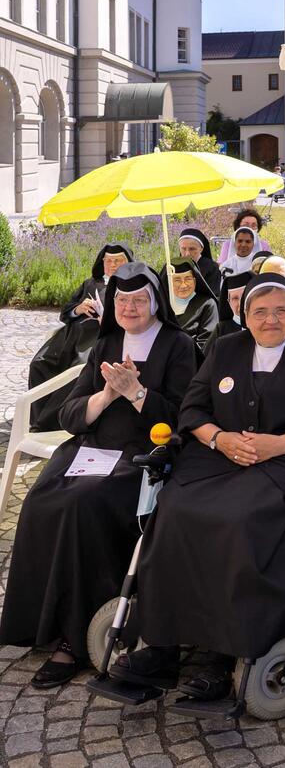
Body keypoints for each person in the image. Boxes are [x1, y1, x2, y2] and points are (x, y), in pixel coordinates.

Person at [111, 274, 285, 699]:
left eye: (281, 310)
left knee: (238, 522)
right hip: (218, 458)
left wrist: (277, 444)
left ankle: (221, 656)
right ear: (244, 315)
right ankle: (163, 647)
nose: (271, 319)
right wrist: (220, 439)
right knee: (175, 511)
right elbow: (194, 408)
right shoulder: (226, 348)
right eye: (260, 311)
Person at [0, 264, 195, 688]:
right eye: (122, 301)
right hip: (91, 447)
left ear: (156, 303)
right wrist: (106, 395)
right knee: (39, 501)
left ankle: (73, 638)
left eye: (139, 300)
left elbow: (186, 417)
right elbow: (71, 414)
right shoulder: (106, 341)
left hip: (143, 454)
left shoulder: (178, 346)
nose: (130, 308)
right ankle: (36, 620)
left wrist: (137, 393)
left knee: (79, 506)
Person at [28, 243, 134, 431]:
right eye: (108, 261)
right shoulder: (90, 283)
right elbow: (65, 312)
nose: (112, 265)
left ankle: (49, 423)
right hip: (71, 335)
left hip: (97, 337)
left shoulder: (131, 286)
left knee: (77, 370)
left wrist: (107, 320)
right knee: (40, 363)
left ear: (128, 262)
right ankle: (35, 419)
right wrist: (79, 309)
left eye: (118, 260)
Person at [165, 258, 219, 353]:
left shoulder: (207, 304)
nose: (183, 285)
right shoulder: (162, 305)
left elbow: (207, 342)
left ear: (195, 280)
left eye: (188, 279)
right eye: (177, 280)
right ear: (169, 282)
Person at [204, 270, 253, 355]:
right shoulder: (222, 329)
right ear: (228, 302)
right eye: (235, 298)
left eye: (244, 296)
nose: (240, 303)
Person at [176, 228, 223, 296]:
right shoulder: (172, 267)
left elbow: (213, 295)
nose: (187, 253)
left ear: (201, 249)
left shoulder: (212, 268)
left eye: (192, 249)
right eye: (183, 249)